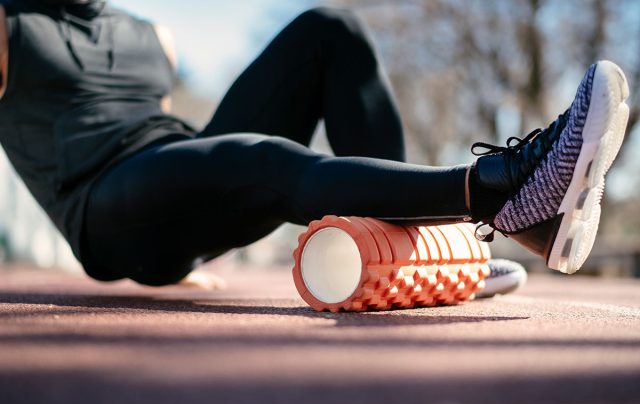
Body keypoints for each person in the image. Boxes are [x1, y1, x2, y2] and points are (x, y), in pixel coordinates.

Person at [0, 0, 630, 286]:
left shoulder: (148, 33)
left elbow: (167, 138)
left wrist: (186, 237)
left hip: (170, 177)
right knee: (262, 160)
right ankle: (504, 189)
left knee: (329, 30)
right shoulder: (11, 26)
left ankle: (435, 246)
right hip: (105, 206)